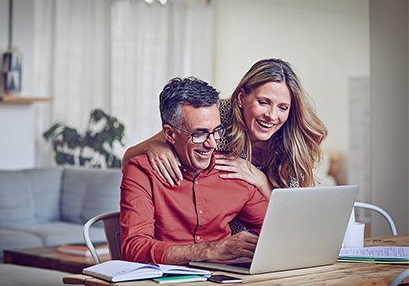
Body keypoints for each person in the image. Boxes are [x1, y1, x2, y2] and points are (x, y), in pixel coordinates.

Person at [121, 59, 328, 201]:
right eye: (263, 102)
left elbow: (293, 213)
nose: (272, 116)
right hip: (221, 235)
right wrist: (155, 146)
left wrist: (260, 180)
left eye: (283, 107)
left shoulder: (292, 138)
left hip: (270, 231)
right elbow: (127, 161)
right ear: (241, 98)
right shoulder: (215, 116)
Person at [120, 77, 268, 265]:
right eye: (199, 133)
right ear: (170, 134)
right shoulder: (142, 172)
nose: (212, 143)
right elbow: (134, 249)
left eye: (216, 131)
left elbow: (278, 228)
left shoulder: (232, 171)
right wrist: (211, 250)